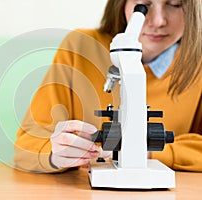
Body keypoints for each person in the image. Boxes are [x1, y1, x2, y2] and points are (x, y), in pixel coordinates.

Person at [14, 0, 202, 173]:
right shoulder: (80, 47)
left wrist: (148, 152)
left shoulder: (197, 66)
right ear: (121, 4)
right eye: (144, 4)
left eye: (175, 4)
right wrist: (56, 155)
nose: (159, 21)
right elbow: (27, 146)